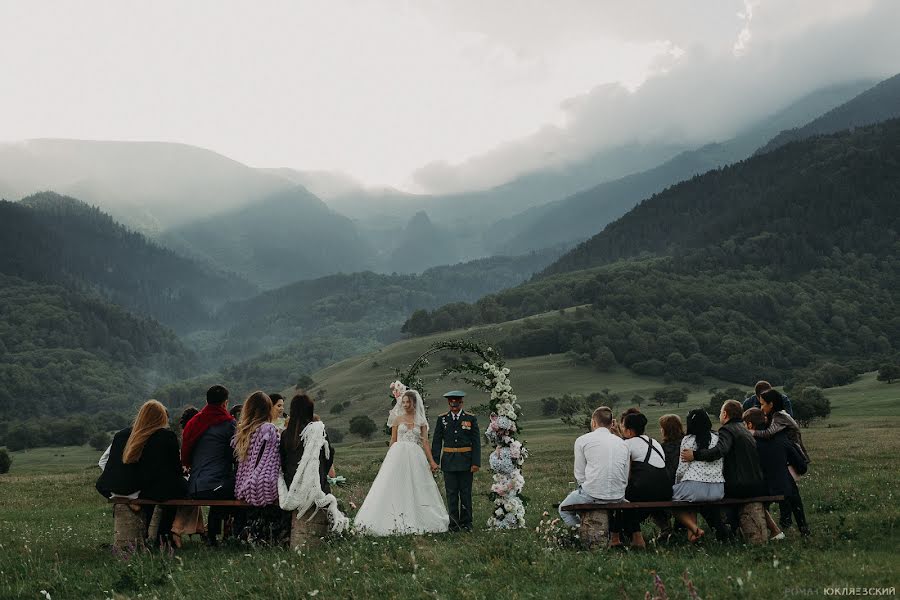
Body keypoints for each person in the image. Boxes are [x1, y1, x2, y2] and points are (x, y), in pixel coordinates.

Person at [355, 389, 449, 535]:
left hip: (415, 455)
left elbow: (425, 443)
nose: (405, 404)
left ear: (414, 403)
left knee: (416, 484)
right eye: (403, 402)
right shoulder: (397, 419)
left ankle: (418, 517)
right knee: (394, 484)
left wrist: (432, 462)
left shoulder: (421, 421)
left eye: (408, 402)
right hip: (398, 454)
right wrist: (389, 458)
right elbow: (393, 439)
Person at [96, 400, 187, 547]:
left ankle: (148, 535)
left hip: (114, 487)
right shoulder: (165, 436)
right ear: (161, 417)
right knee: (179, 490)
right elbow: (174, 469)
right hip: (144, 488)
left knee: (157, 488)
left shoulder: (121, 435)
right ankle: (164, 535)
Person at [681, 399, 766, 538]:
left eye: (721, 412)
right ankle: (728, 529)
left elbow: (720, 450)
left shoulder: (727, 429)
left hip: (740, 485)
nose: (720, 415)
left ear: (725, 414)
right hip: (756, 484)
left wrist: (695, 455)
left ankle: (722, 533)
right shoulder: (744, 429)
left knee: (706, 496)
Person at [278, 394, 348, 534]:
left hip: (292, 483)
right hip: (316, 483)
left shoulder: (286, 435)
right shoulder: (318, 431)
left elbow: (283, 462)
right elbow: (329, 456)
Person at [181, 384, 241, 545]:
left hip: (194, 486)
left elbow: (186, 451)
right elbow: (236, 455)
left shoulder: (194, 422)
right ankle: (235, 535)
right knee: (240, 488)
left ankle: (213, 536)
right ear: (225, 403)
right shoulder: (229, 424)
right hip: (214, 487)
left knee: (221, 484)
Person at [558, 406, 629, 531]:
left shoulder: (582, 440)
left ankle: (582, 532)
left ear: (594, 422)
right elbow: (625, 473)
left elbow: (579, 474)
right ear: (611, 423)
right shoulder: (622, 443)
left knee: (563, 509)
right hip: (618, 495)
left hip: (592, 494)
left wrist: (589, 488)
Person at [232, 391, 285, 543]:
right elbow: (275, 459)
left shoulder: (243, 429)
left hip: (242, 484)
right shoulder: (268, 429)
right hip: (264, 482)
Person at [615, 412, 671, 549]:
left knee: (622, 496)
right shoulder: (655, 442)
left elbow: (625, 476)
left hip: (645, 491)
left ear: (628, 431)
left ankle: (636, 537)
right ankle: (664, 527)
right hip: (666, 490)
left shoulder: (627, 445)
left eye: (622, 427)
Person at [672, 409, 725, 542]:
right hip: (717, 489)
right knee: (690, 503)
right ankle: (692, 537)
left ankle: (695, 529)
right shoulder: (717, 438)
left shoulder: (688, 440)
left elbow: (682, 469)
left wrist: (677, 483)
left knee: (672, 504)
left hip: (694, 487)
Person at [431, 390, 481, 531]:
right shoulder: (443, 419)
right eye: (452, 404)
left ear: (461, 403)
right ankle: (454, 524)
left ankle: (466, 524)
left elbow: (475, 442)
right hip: (449, 462)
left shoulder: (471, 419)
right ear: (448, 403)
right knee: (451, 494)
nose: (454, 406)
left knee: (465, 493)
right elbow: (436, 442)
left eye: (456, 403)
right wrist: (435, 461)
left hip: (466, 462)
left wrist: (476, 462)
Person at [170, 406, 206, 547]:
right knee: (192, 493)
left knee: (194, 492)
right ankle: (177, 530)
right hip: (190, 472)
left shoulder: (185, 432)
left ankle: (200, 529)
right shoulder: (195, 433)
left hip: (186, 472)